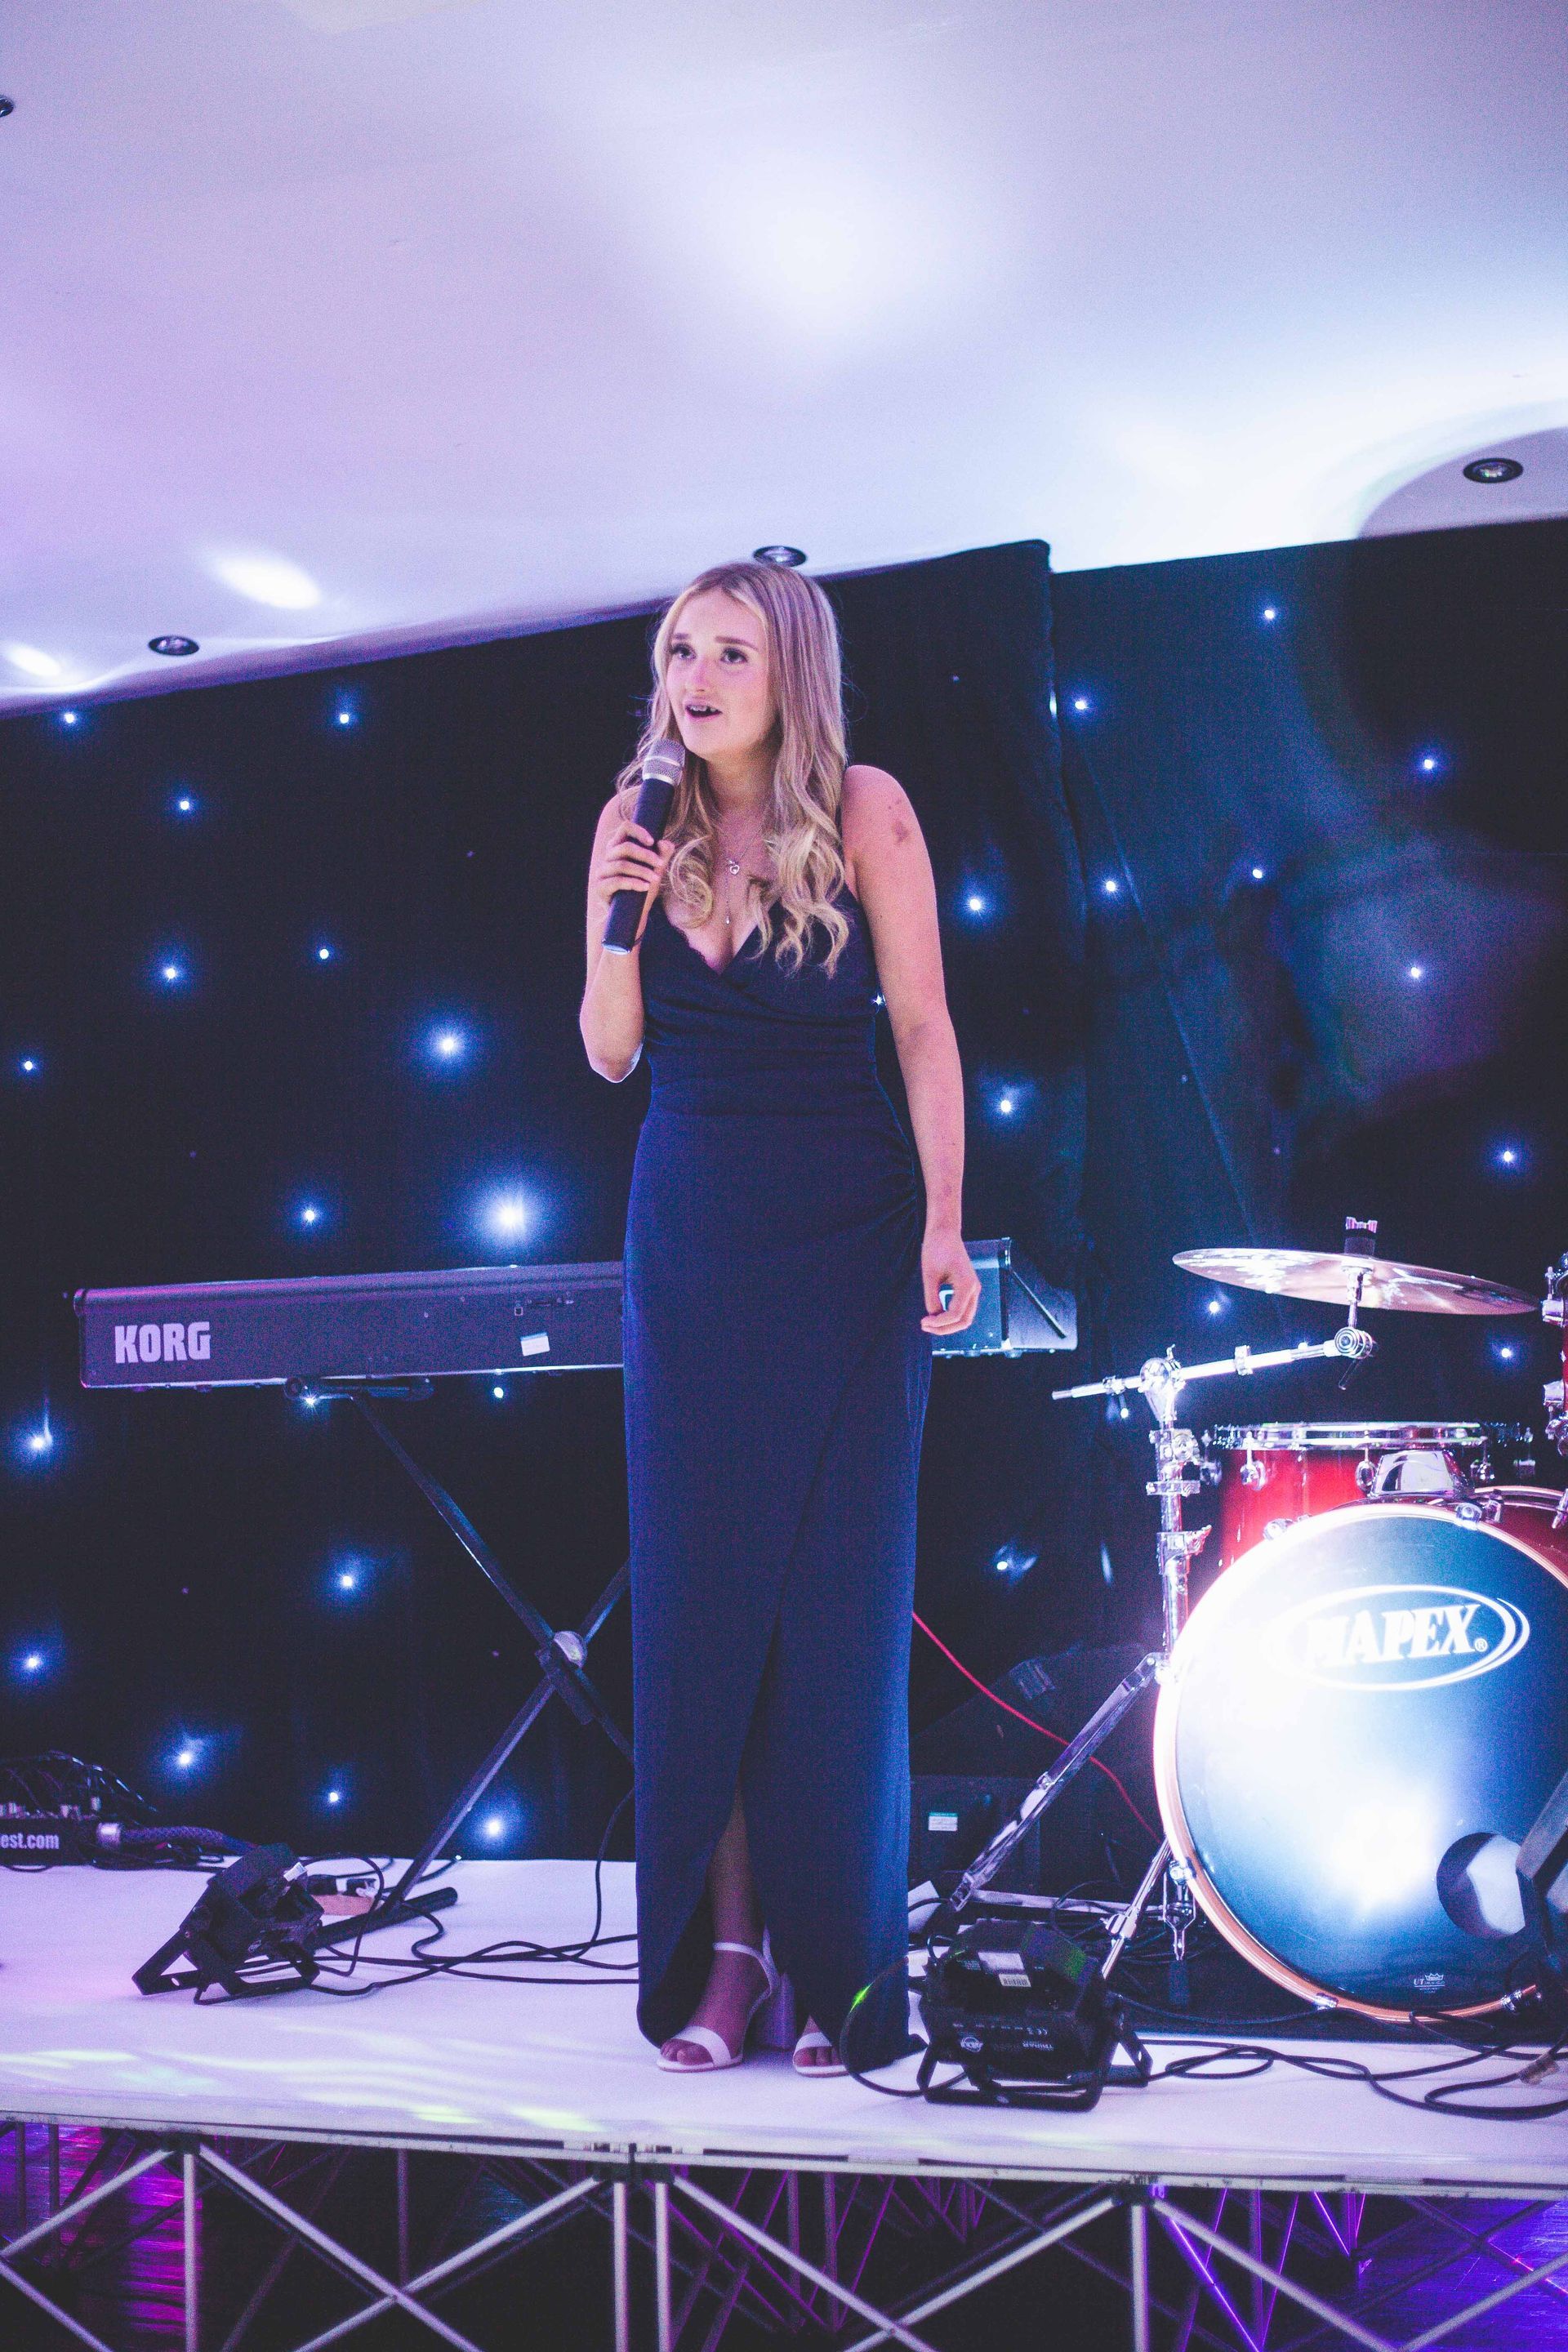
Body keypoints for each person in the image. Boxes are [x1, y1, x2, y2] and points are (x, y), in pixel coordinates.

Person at [581, 560, 979, 2075]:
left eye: (730, 652)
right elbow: (608, 1052)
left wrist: (944, 1218)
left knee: (834, 1612)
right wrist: (618, 919)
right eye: (681, 651)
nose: (695, 678)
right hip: (694, 1238)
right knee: (706, 1613)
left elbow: (926, 1026)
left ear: (789, 672)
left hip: (847, 1234)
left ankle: (835, 1962)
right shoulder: (633, 824)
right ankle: (730, 1957)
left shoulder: (866, 808)